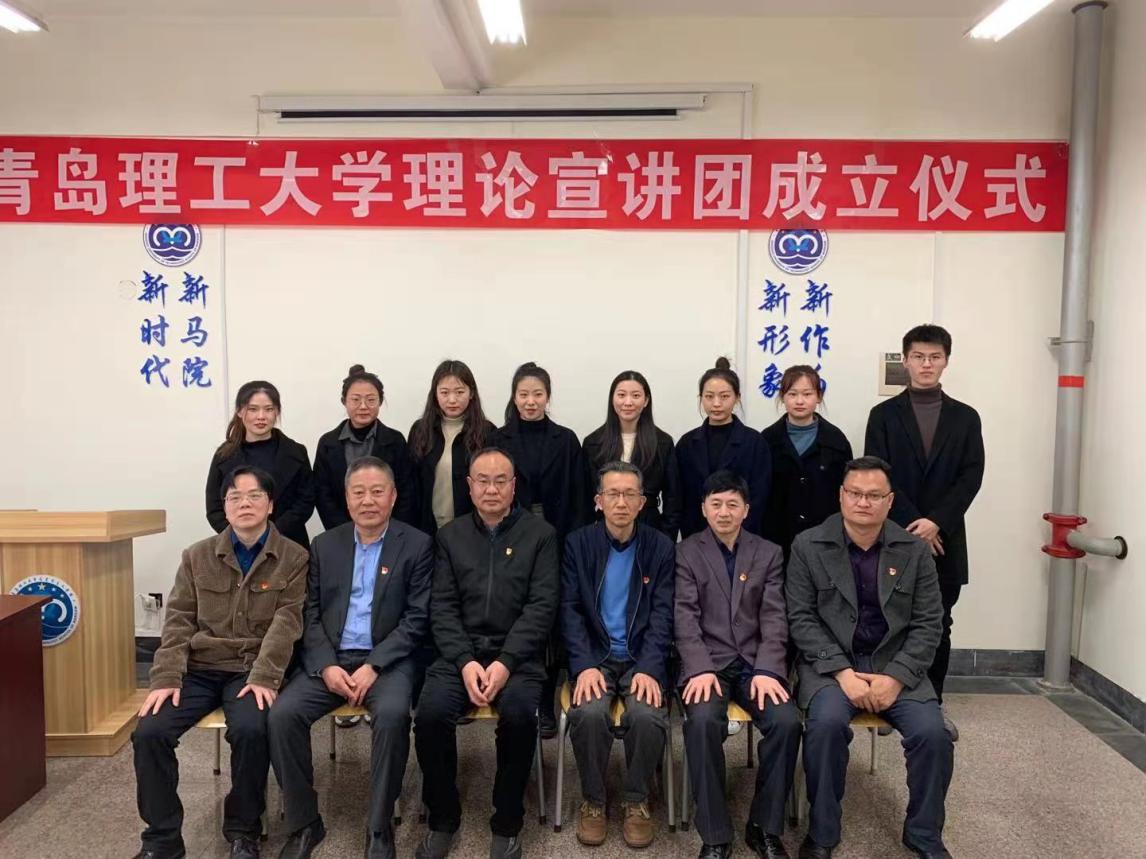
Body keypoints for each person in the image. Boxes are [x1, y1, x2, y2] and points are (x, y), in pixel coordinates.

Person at [132, 466, 308, 859]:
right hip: (199, 668)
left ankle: (243, 832)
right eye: (235, 497)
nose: (244, 503)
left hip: (250, 669)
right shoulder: (196, 556)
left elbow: (287, 623)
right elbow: (178, 620)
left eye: (254, 495)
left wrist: (266, 676)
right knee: (149, 732)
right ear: (224, 507)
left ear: (270, 505)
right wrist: (166, 677)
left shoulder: (294, 558)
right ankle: (161, 840)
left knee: (251, 729)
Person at [786, 456, 953, 859]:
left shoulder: (914, 551)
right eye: (855, 493)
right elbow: (801, 618)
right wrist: (842, 673)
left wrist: (895, 678)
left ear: (890, 501)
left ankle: (924, 834)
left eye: (874, 495)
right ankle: (823, 833)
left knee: (934, 735)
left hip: (897, 667)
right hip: (831, 668)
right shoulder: (808, 545)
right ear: (841, 495)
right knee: (825, 727)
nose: (863, 502)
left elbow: (929, 623)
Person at [269, 457, 434, 859]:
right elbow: (308, 613)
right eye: (359, 492)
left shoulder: (416, 544)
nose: (368, 500)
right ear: (346, 498)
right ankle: (305, 822)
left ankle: (379, 826)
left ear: (393, 497)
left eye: (377, 492)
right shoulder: (325, 545)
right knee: (282, 715)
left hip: (387, 661)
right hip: (331, 657)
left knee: (392, 715)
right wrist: (326, 665)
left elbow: (416, 618)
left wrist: (374, 665)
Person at [413, 448, 559, 859]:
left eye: (500, 481)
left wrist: (505, 662)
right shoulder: (450, 536)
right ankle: (443, 816)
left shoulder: (541, 535)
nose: (491, 489)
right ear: (469, 485)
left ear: (513, 486)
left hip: (518, 656)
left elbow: (542, 607)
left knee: (519, 716)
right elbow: (442, 607)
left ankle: (507, 819)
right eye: (483, 480)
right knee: (429, 716)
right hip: (460, 655)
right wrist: (465, 661)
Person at [864, 324, 984, 739]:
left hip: (945, 539)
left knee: (939, 624)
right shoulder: (883, 416)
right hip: (894, 536)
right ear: (906, 361)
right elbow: (877, 474)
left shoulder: (965, 417)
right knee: (889, 620)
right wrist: (915, 523)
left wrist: (936, 522)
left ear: (946, 361)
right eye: (918, 356)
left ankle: (931, 705)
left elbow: (971, 476)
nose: (926, 364)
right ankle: (887, 703)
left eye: (934, 357)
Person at [675, 470, 801, 859]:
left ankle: (764, 828)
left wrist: (768, 669)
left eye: (733, 504)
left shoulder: (768, 552)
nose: (724, 512)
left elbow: (775, 617)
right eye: (716, 504)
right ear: (703, 509)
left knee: (786, 722)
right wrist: (698, 667)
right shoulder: (686, 552)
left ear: (746, 509)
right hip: (707, 663)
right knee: (702, 722)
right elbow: (684, 617)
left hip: (754, 663)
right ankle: (715, 834)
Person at [561, 462, 675, 849]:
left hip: (641, 657)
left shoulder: (660, 547)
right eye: (613, 494)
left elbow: (663, 614)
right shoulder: (578, 544)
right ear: (598, 501)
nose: (621, 502)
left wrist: (651, 667)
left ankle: (636, 799)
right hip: (595, 656)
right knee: (589, 713)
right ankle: (593, 801)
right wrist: (583, 665)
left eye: (629, 494)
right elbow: (570, 611)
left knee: (646, 715)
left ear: (643, 502)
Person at [495, 361, 588, 739]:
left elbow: (580, 496)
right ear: (514, 397)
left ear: (548, 397)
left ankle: (547, 699)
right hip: (511, 539)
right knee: (516, 615)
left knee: (549, 617)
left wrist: (573, 545)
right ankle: (516, 695)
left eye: (537, 394)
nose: (530, 401)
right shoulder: (498, 439)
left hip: (557, 537)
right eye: (523, 394)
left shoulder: (566, 440)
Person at [206, 380, 315, 549]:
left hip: (288, 544)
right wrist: (241, 536)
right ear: (239, 411)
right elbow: (214, 508)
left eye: (269, 409)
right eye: (253, 409)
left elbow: (305, 501)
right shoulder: (224, 455)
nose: (261, 416)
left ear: (277, 411)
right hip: (237, 546)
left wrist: (271, 534)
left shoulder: (296, 452)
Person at [761, 365, 853, 562]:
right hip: (777, 538)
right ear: (782, 397)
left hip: (825, 538)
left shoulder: (836, 440)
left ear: (819, 396)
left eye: (807, 394)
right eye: (792, 394)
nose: (799, 401)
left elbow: (847, 491)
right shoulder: (767, 440)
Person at [312, 364, 417, 530]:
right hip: (341, 532)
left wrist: (391, 530)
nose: (363, 406)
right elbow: (323, 494)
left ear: (380, 401)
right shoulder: (328, 443)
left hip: (389, 531)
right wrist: (344, 531)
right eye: (355, 400)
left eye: (370, 400)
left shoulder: (395, 441)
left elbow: (406, 492)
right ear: (344, 401)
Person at [676, 358, 771, 539]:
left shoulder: (755, 442)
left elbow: (760, 496)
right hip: (697, 537)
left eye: (724, 396)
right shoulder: (686, 444)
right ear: (701, 398)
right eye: (709, 396)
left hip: (743, 537)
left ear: (737, 397)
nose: (716, 403)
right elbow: (681, 497)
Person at [582, 370, 682, 540]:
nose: (628, 402)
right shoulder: (593, 443)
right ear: (612, 399)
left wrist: (665, 538)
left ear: (646, 401)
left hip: (650, 529)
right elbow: (584, 499)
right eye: (621, 395)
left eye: (636, 396)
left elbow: (673, 499)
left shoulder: (662, 443)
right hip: (604, 530)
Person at [408, 359, 495, 536]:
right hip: (426, 528)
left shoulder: (487, 432)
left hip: (473, 530)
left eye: (460, 392)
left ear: (471, 393)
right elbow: (412, 484)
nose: (452, 399)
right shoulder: (420, 430)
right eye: (444, 392)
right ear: (435, 394)